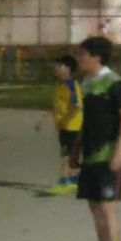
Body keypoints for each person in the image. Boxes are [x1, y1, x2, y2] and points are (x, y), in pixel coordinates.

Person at [69, 36, 121, 241]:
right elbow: (88, 121)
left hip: (108, 155)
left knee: (107, 210)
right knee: (95, 209)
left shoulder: (114, 82)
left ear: (97, 57)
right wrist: (75, 150)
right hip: (91, 155)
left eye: (82, 54)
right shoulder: (86, 83)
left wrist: (120, 150)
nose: (79, 59)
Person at [35, 56, 83, 195]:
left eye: (59, 66)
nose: (56, 69)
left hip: (73, 127)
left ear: (68, 69)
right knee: (71, 156)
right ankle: (75, 180)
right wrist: (42, 120)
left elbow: (76, 106)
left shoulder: (71, 85)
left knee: (66, 155)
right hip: (63, 127)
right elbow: (55, 105)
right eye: (56, 66)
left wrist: (65, 119)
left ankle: (63, 182)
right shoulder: (59, 85)